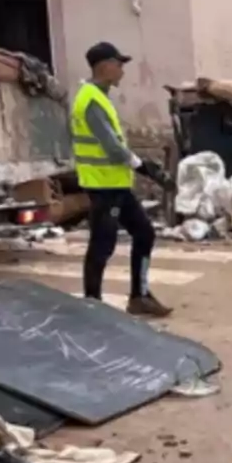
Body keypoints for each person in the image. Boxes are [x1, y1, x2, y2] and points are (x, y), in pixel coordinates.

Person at [71, 43, 173, 317]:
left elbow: (115, 144)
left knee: (144, 233)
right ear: (104, 66)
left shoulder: (100, 97)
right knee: (102, 245)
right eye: (119, 64)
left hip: (115, 185)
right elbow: (112, 148)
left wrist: (143, 167)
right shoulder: (91, 100)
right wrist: (144, 167)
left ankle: (139, 296)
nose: (122, 71)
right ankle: (92, 304)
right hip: (102, 185)